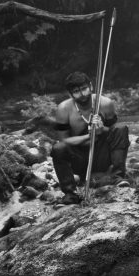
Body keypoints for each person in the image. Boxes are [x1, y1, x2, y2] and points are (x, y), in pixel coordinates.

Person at [51, 71, 129, 204]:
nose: (82, 95)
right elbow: (63, 141)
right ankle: (70, 192)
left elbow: (114, 133)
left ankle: (117, 177)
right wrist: (89, 136)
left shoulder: (105, 103)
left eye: (84, 89)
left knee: (121, 128)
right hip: (79, 160)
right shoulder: (63, 109)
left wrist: (101, 129)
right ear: (70, 93)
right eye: (76, 91)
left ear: (91, 86)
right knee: (58, 148)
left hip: (103, 156)